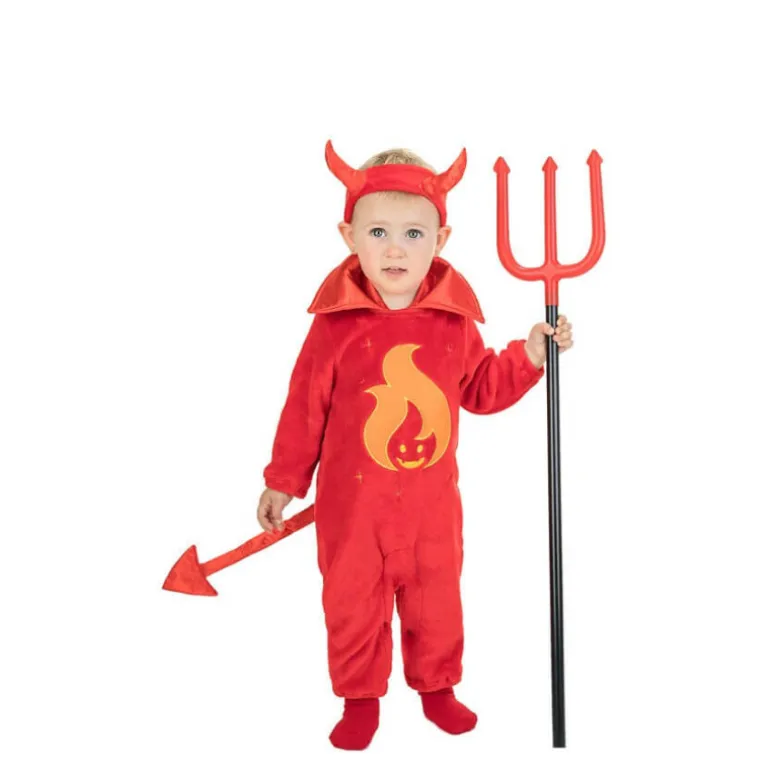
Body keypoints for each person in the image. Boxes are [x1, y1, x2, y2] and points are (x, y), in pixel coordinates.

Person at [256, 141, 573, 750]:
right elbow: (304, 406)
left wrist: (531, 355)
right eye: (378, 232)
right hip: (353, 512)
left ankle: (437, 689)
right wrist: (283, 480)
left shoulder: (452, 321)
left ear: (441, 239)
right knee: (352, 602)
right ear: (349, 237)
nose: (395, 249)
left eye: (413, 233)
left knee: (436, 598)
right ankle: (359, 699)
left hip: (431, 506)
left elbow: (479, 389)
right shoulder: (334, 324)